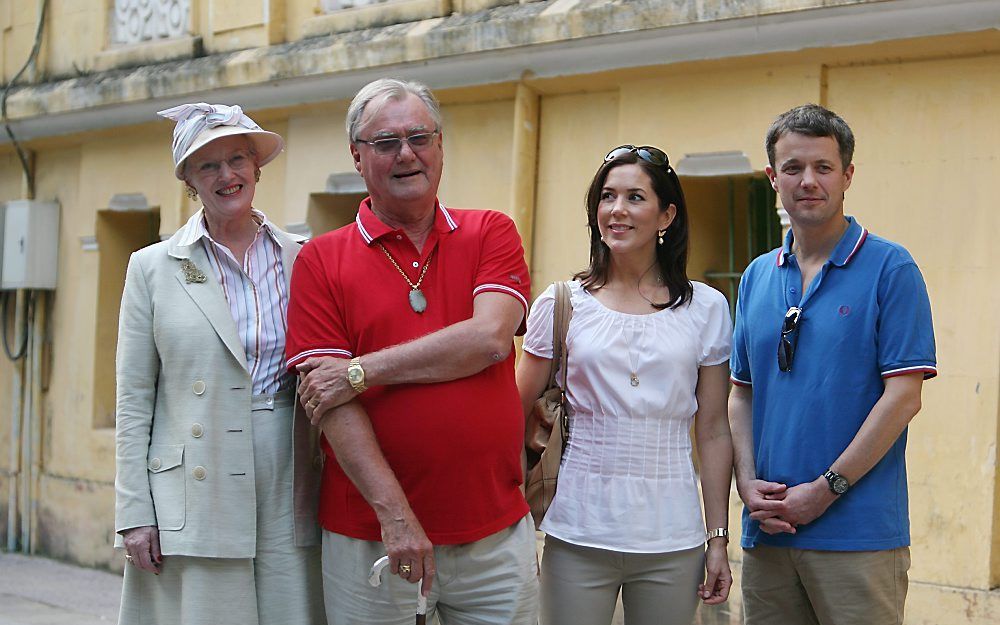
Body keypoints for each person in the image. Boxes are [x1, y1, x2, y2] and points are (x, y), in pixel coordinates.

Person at [285, 78, 538, 625]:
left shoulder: (490, 231)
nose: (406, 153)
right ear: (357, 156)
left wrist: (358, 370)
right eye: (385, 142)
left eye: (419, 137)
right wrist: (395, 518)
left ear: (440, 145)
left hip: (493, 531)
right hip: (369, 535)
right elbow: (329, 405)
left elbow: (491, 340)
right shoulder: (320, 261)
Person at [114, 103, 325, 625]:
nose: (227, 175)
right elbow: (134, 397)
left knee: (290, 608)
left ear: (257, 167)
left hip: (289, 466)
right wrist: (135, 514)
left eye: (237, 159)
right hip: (193, 480)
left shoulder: (304, 257)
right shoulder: (152, 267)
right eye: (208, 165)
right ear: (188, 178)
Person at [729, 104, 937, 625]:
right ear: (772, 177)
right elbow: (741, 393)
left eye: (823, 167)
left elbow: (904, 396)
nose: (808, 181)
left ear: (847, 175)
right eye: (793, 168)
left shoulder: (892, 268)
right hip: (768, 534)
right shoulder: (756, 276)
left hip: (858, 537)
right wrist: (747, 481)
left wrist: (824, 491)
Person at [516, 145, 734, 625]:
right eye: (607, 197)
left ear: (667, 214)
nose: (617, 210)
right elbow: (513, 414)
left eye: (635, 197)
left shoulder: (708, 308)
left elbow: (714, 430)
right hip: (576, 529)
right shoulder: (560, 304)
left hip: (673, 536)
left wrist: (717, 537)